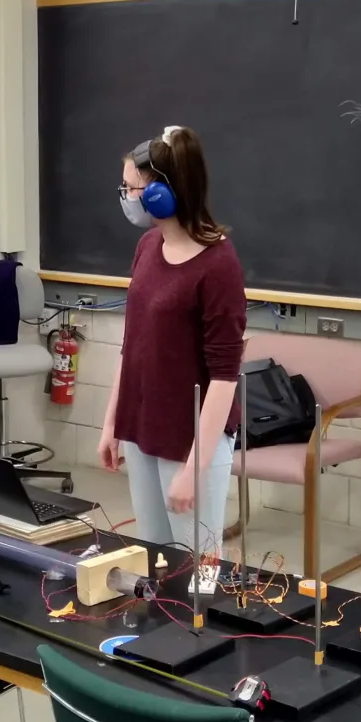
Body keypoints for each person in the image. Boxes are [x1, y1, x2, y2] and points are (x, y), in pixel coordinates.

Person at [96, 125, 244, 562]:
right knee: (156, 559)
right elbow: (133, 342)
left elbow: (224, 375)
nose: (126, 197)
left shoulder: (218, 265)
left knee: (198, 569)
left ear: (164, 193)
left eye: (132, 188)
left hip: (191, 435)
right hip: (143, 425)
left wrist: (195, 468)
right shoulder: (147, 246)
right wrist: (112, 423)